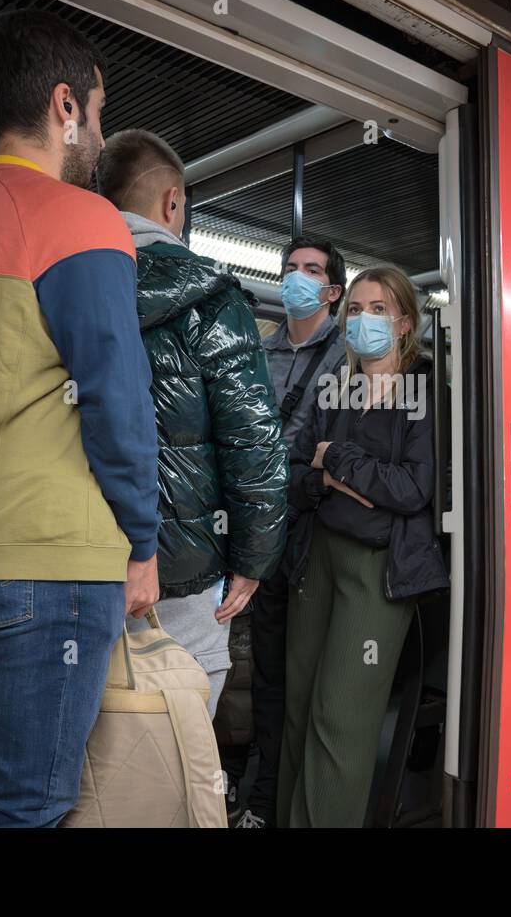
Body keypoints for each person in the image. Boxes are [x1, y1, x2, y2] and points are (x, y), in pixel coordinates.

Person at [0, 10, 163, 827]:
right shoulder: (79, 218)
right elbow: (116, 398)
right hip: (51, 558)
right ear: (65, 106)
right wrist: (142, 541)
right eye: (96, 111)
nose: (98, 131)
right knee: (29, 803)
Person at [95, 129, 288, 720]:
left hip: (83, 558)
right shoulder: (213, 298)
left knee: (94, 758)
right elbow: (252, 438)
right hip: (184, 568)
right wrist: (254, 560)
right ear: (172, 202)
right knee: (177, 745)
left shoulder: (67, 282)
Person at [280, 265, 449, 827]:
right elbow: (297, 469)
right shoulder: (337, 387)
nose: (363, 319)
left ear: (403, 322)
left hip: (378, 569)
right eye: (355, 308)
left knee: (340, 716)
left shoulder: (425, 391)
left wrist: (339, 460)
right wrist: (326, 476)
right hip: (318, 554)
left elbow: (411, 489)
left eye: (378, 309)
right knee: (299, 705)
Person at [220, 238, 350, 828]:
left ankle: (271, 798)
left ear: (332, 291)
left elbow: (326, 447)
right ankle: (232, 783)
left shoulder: (346, 358)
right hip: (248, 520)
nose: (297, 278)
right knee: (242, 664)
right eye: (290, 269)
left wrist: (287, 472)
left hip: (303, 533)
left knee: (288, 670)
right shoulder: (259, 348)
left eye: (312, 271)